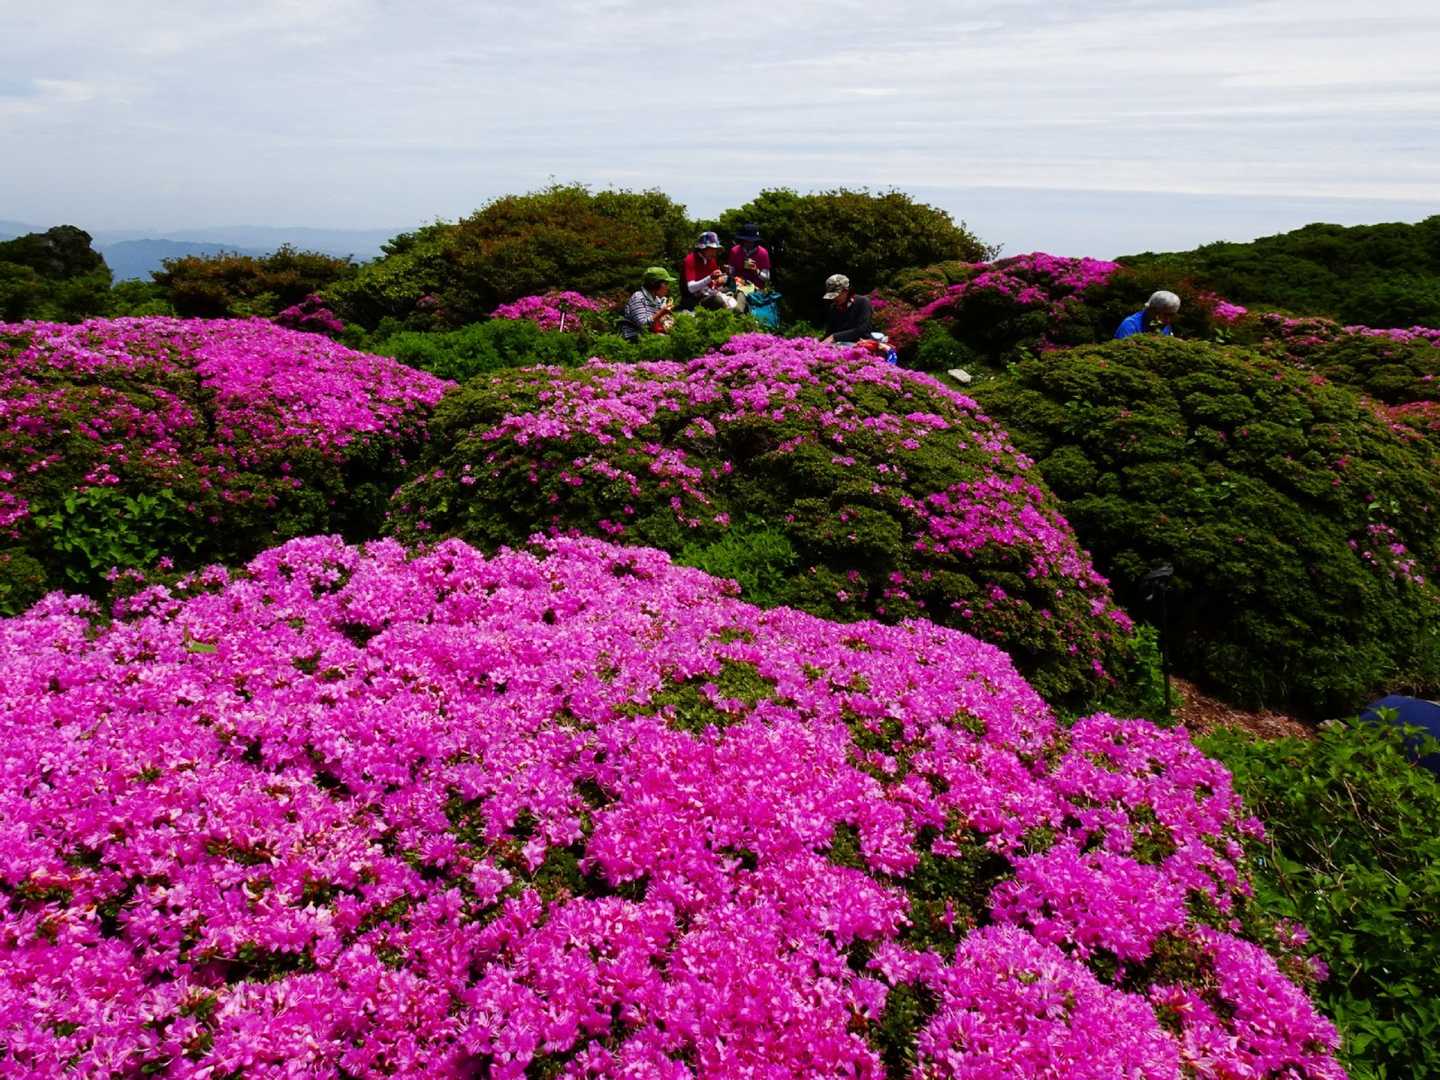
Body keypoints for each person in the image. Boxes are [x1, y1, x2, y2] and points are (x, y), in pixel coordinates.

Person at [619, 267, 676, 340]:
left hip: (649, 336)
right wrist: (661, 313)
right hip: (634, 337)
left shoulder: (657, 300)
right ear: (655, 284)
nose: (668, 287)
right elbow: (643, 325)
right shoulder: (639, 297)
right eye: (666, 284)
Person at [820, 274, 873, 345]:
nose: (833, 298)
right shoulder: (833, 307)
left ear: (846, 291)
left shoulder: (863, 302)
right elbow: (829, 332)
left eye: (836, 295)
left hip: (861, 345)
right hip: (839, 344)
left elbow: (861, 329)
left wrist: (835, 337)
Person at [681, 232, 728, 310]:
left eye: (715, 250)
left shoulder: (711, 259)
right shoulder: (690, 260)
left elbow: (717, 277)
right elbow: (691, 288)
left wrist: (721, 278)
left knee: (732, 289)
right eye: (712, 249)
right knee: (717, 300)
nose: (714, 253)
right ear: (703, 248)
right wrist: (710, 278)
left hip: (708, 292)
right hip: (693, 298)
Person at [1115, 291, 1181, 339]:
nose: (1168, 320)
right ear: (1152, 310)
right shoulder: (1130, 326)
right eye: (1165, 315)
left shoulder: (1164, 325)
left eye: (1171, 315)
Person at [727, 223, 771, 288]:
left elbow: (767, 277)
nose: (749, 243)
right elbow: (732, 272)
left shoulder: (763, 253)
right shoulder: (734, 251)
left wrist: (756, 271)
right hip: (737, 286)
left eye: (752, 240)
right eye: (746, 240)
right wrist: (728, 271)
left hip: (756, 289)